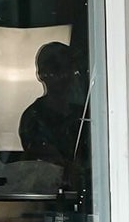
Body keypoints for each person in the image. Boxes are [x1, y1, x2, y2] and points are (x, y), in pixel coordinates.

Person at [19, 40, 90, 179]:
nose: (65, 76)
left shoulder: (84, 114)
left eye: (69, 70)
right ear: (42, 75)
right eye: (57, 70)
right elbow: (46, 164)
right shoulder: (33, 119)